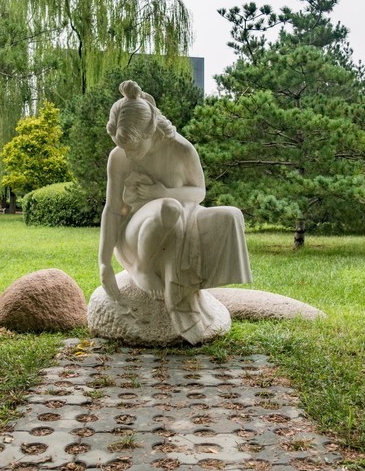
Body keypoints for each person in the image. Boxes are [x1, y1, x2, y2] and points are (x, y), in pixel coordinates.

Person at [98, 80, 252, 343]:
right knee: (169, 209)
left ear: (151, 131)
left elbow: (198, 193)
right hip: (136, 238)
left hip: (181, 218)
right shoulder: (119, 157)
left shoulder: (181, 149)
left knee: (230, 216)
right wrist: (104, 263)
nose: (128, 153)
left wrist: (162, 193)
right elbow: (112, 209)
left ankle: (185, 284)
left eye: (133, 146)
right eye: (123, 146)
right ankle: (142, 269)